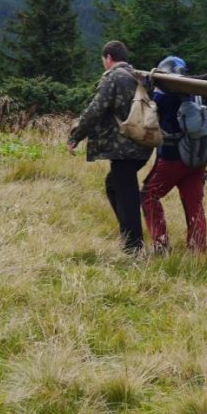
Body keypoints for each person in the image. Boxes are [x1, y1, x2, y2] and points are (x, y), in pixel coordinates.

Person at [68, 40, 151, 254]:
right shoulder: (138, 76)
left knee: (127, 193)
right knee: (114, 185)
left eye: (103, 60)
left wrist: (76, 135)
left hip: (123, 147)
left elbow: (96, 109)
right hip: (143, 143)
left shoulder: (113, 77)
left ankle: (133, 245)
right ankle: (129, 235)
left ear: (108, 58)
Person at [140, 56, 207, 253]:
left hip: (172, 157)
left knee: (149, 195)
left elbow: (148, 112)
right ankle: (197, 248)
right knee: (193, 203)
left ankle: (160, 244)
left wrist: (148, 90)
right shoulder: (195, 92)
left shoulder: (165, 95)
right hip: (197, 158)